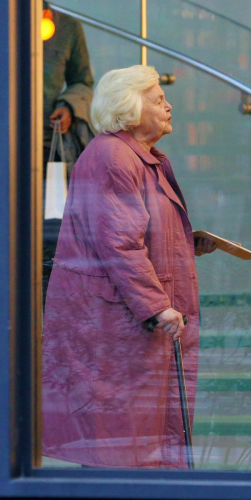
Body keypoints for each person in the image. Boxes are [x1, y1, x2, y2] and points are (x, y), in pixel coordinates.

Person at [42, 65, 216, 468]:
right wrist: (157, 306)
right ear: (130, 107)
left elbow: (129, 235)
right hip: (118, 331)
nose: (169, 106)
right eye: (158, 100)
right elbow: (118, 244)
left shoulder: (135, 156)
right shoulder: (114, 157)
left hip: (130, 328)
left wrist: (186, 244)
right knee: (121, 451)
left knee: (137, 448)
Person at [43, 2, 95, 304]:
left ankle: (49, 307)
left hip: (50, 149)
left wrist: (68, 106)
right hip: (8, 146)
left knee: (52, 230)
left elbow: (82, 81)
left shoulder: (66, 27)